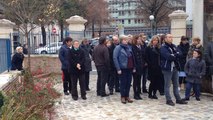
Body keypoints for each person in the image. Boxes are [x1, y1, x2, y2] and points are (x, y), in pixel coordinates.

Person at [160, 34, 187, 106]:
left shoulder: (174, 46)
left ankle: (178, 99)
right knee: (167, 85)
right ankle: (168, 100)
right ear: (165, 39)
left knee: (176, 84)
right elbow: (168, 57)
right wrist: (176, 54)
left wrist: (174, 55)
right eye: (169, 37)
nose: (171, 38)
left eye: (172, 37)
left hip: (175, 68)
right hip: (167, 68)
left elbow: (180, 54)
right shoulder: (163, 47)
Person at [113, 35, 135, 104]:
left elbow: (132, 58)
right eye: (125, 40)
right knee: (123, 83)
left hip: (129, 68)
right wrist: (118, 68)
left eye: (127, 40)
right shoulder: (118, 48)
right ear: (121, 40)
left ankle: (127, 96)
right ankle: (122, 96)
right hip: (122, 68)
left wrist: (134, 67)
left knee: (128, 83)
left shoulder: (129, 47)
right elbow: (115, 58)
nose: (126, 41)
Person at [132, 35, 144, 100]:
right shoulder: (133, 47)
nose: (139, 40)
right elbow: (133, 58)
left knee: (139, 80)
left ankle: (138, 93)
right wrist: (134, 67)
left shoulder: (141, 46)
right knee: (135, 81)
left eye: (140, 39)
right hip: (135, 66)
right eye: (138, 39)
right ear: (135, 40)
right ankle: (135, 94)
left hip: (141, 66)